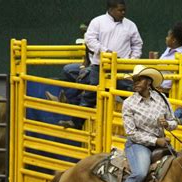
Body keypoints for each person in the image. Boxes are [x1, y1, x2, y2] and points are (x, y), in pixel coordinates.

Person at [106, 65, 177, 182]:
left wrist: (167, 124)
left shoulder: (162, 99)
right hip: (138, 145)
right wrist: (155, 141)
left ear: (149, 82)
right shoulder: (129, 104)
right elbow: (131, 133)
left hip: (161, 143)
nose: (135, 83)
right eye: (134, 80)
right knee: (139, 173)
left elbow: (174, 123)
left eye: (139, 80)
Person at [60, 0, 143, 129]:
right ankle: (76, 122)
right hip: (100, 66)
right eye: (120, 10)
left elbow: (137, 43)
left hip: (122, 67)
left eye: (124, 10)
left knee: (129, 93)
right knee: (90, 95)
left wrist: (132, 60)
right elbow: (90, 39)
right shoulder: (97, 22)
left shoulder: (130, 25)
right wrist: (104, 51)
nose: (123, 13)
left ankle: (142, 123)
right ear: (111, 9)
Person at [158, 22, 182, 94]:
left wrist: (164, 89)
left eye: (168, 36)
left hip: (169, 92)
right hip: (157, 87)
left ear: (173, 40)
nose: (166, 38)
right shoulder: (169, 49)